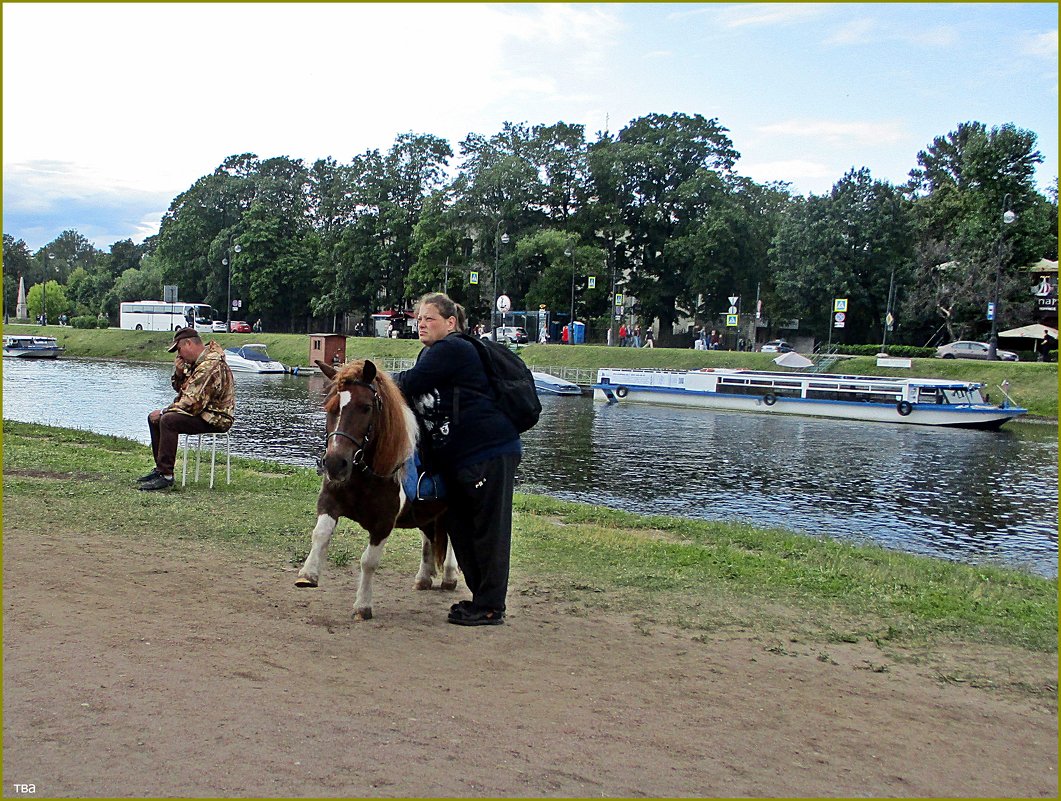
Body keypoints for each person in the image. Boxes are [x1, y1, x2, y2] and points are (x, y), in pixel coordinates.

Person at [393, 292, 521, 626]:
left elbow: (409, 384)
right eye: (418, 318)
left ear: (450, 323)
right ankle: (481, 600)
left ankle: (491, 606)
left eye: (429, 318)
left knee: (488, 530)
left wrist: (373, 379)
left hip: (488, 451)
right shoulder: (431, 353)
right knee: (459, 527)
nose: (421, 323)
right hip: (460, 459)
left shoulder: (454, 347)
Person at [138, 327, 235, 491]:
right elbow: (183, 390)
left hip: (216, 418)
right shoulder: (199, 363)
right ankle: (161, 470)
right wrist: (179, 373)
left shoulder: (209, 366)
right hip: (202, 413)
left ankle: (166, 476)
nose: (179, 355)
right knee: (155, 418)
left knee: (168, 420)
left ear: (189, 343)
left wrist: (164, 412)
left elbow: (192, 402)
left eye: (179, 349)